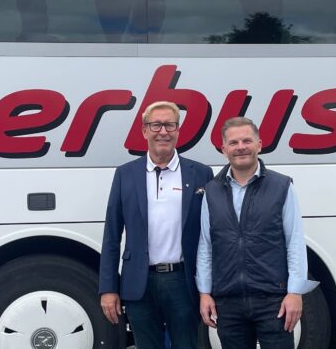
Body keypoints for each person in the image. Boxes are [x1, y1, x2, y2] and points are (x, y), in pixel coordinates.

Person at [99, 101, 214, 349]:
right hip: (139, 282)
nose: (163, 131)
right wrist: (108, 288)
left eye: (170, 125)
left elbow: (210, 234)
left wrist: (209, 287)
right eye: (156, 125)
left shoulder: (201, 174)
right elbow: (111, 235)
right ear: (144, 130)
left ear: (178, 130)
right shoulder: (125, 174)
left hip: (182, 281)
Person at [196, 117, 319, 349]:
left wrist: (295, 293)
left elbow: (294, 241)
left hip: (273, 302)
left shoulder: (282, 186)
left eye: (246, 140)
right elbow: (206, 245)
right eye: (233, 143)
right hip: (228, 302)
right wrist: (204, 293)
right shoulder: (211, 191)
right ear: (224, 150)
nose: (240, 147)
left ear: (259, 145)